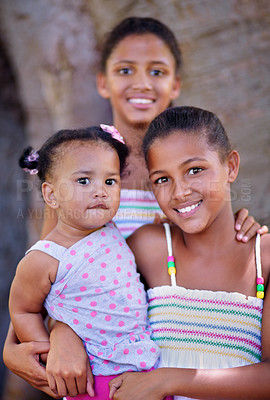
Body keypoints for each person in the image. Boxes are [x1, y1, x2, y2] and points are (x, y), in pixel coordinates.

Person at [3, 17, 267, 398]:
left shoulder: (194, 189)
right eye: (125, 69)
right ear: (102, 81)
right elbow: (46, 283)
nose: (141, 83)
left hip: (157, 361)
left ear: (175, 84)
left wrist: (238, 232)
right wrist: (43, 339)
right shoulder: (75, 183)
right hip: (100, 372)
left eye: (156, 71)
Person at [107, 106, 270, 400]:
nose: (180, 192)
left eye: (195, 170)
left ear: (231, 166)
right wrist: (63, 335)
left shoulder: (264, 259)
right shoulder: (147, 247)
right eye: (162, 179)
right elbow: (84, 302)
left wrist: (170, 380)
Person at [8, 125, 167, 400]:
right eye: (84, 181)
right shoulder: (45, 258)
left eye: (110, 181)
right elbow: (23, 311)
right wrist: (48, 353)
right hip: (92, 378)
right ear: (51, 195)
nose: (100, 191)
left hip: (143, 368)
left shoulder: (111, 229)